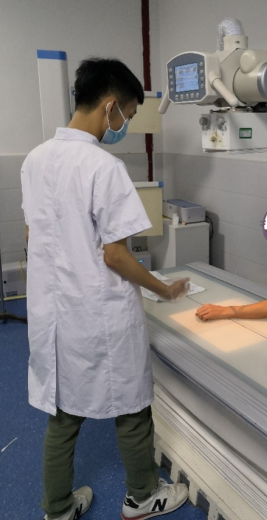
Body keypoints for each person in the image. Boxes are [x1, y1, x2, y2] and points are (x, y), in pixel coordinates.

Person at [21, 58, 190, 520]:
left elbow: (34, 235)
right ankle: (143, 496)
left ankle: (58, 508)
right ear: (111, 106)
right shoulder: (103, 166)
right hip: (99, 313)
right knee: (132, 407)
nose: (125, 126)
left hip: (54, 312)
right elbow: (115, 256)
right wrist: (164, 289)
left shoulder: (35, 160)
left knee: (62, 414)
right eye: (129, 116)